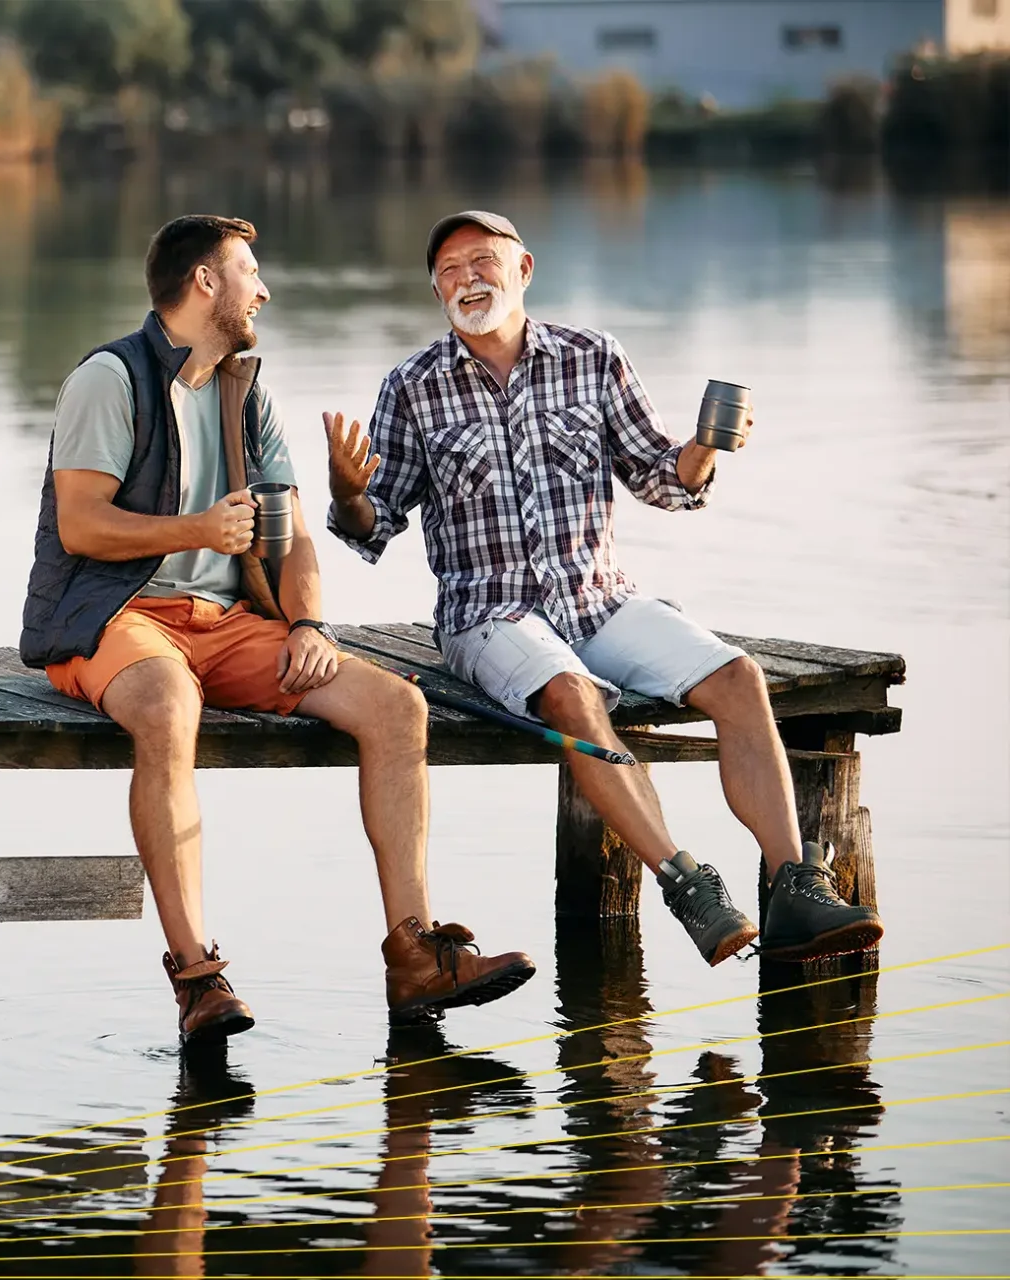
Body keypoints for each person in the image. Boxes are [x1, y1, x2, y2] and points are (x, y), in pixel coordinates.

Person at [18, 214, 535, 1046]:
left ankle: (415, 955)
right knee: (165, 702)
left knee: (398, 707)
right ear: (204, 284)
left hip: (227, 624)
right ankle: (197, 977)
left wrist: (307, 623)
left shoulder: (246, 388)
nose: (264, 289)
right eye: (248, 272)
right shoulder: (108, 379)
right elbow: (80, 527)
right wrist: (194, 532)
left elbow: (290, 535)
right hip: (113, 618)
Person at [323, 209, 883, 970]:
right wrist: (348, 490)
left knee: (739, 676)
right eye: (449, 270)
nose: (466, 278)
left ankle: (796, 888)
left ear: (523, 271)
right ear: (435, 291)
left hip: (601, 600)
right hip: (488, 615)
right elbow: (372, 527)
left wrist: (703, 449)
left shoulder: (593, 356)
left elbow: (662, 477)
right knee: (572, 695)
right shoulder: (412, 386)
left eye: (482, 261)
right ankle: (690, 886)